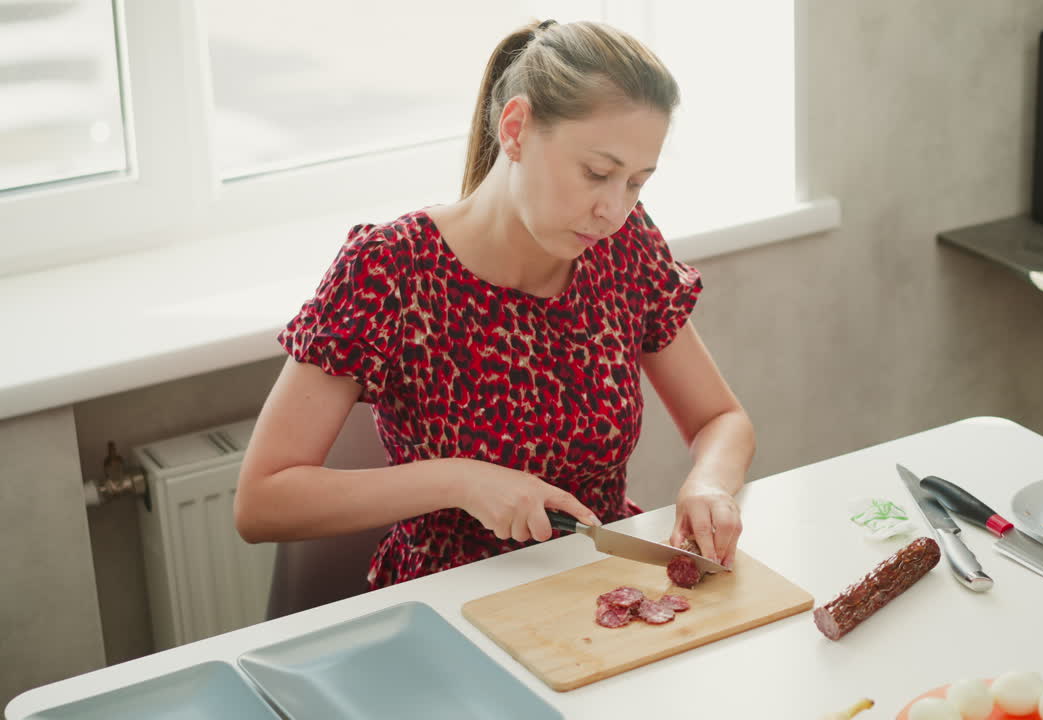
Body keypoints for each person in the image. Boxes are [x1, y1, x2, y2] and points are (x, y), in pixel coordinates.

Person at [234, 19, 755, 590]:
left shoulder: (622, 248)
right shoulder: (390, 269)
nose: (615, 210)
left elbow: (720, 420)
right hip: (446, 607)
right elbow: (262, 502)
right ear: (516, 129)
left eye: (636, 182)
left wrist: (709, 483)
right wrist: (459, 480)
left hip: (597, 588)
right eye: (597, 173)